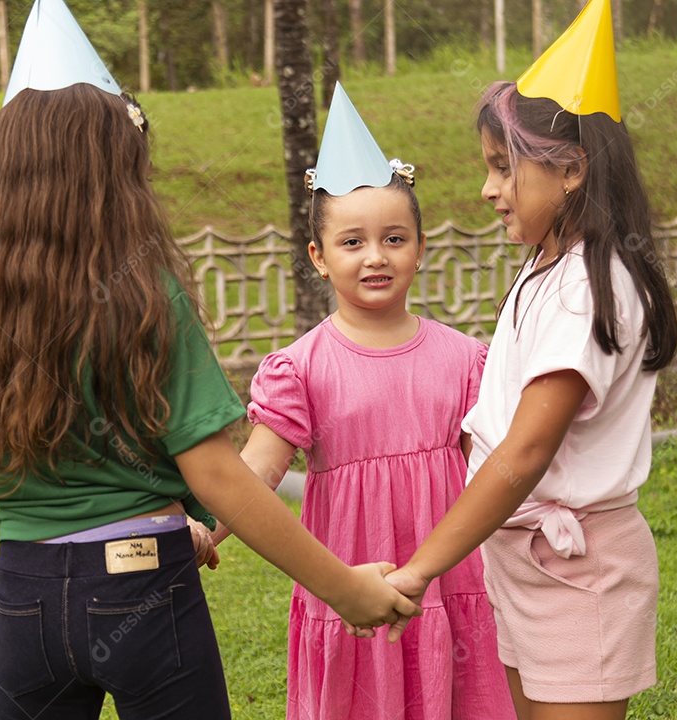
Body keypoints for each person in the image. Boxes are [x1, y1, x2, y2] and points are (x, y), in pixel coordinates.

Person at [0, 5, 418, 719]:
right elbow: (214, 471)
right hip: (144, 583)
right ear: (108, 175)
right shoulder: (144, 295)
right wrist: (344, 587)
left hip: (21, 592)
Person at [376, 1, 677, 718]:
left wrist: (422, 568)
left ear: (570, 168)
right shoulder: (548, 265)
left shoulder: (589, 286)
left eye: (501, 168)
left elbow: (529, 447)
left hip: (578, 571)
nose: (487, 190)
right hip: (522, 559)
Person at [211, 82, 516, 720]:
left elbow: (493, 469)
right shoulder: (301, 368)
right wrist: (203, 528)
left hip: (450, 586)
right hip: (347, 588)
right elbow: (255, 473)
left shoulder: (465, 360)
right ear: (319, 258)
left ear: (421, 247)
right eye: (352, 243)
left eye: (394, 238)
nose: (375, 257)